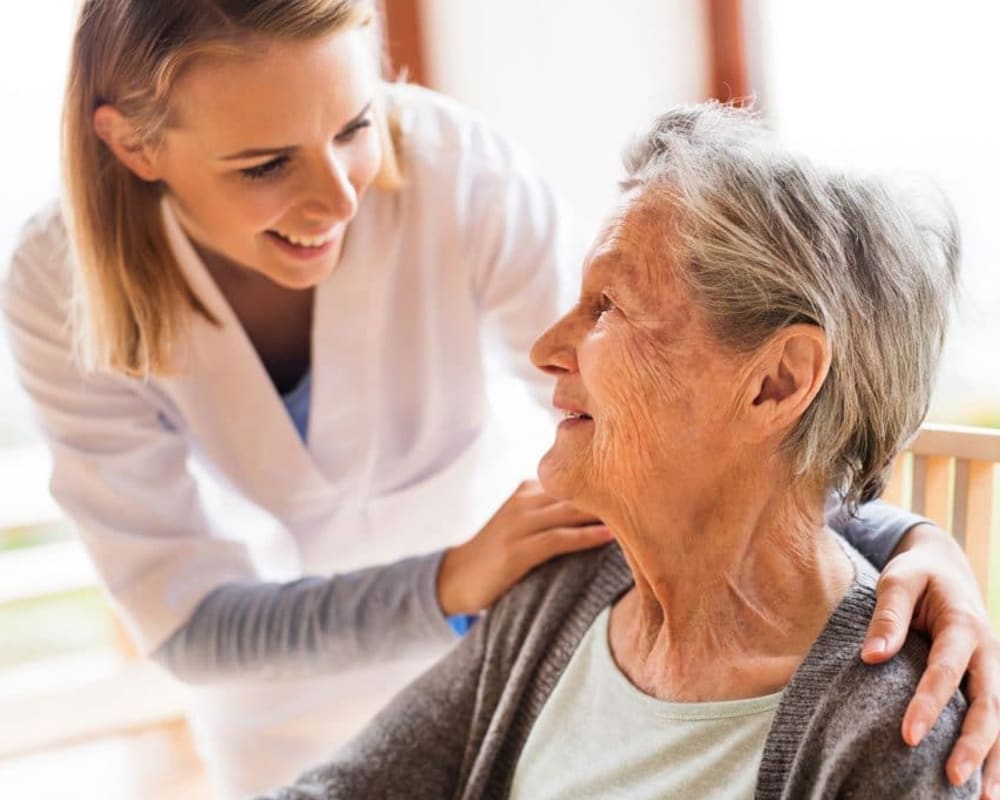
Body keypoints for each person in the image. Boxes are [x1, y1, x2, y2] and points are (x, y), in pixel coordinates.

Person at [1, 2, 997, 796]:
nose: (343, 196)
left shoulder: (451, 168)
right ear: (135, 146)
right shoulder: (55, 287)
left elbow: (700, 414)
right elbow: (193, 623)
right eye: (263, 165)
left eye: (355, 125)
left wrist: (902, 537)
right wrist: (452, 585)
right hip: (303, 701)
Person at [261, 103, 980, 799]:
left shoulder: (898, 733)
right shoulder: (563, 586)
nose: (546, 350)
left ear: (775, 382)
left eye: (608, 307)